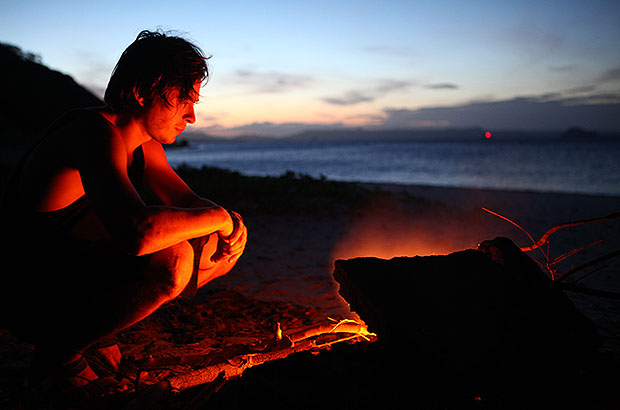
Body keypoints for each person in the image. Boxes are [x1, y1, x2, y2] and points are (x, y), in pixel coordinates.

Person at [0, 29, 247, 394]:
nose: (192, 116)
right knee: (175, 257)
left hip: (73, 274)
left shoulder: (145, 147)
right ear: (141, 92)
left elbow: (191, 204)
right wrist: (221, 218)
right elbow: (138, 233)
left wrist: (232, 226)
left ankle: (94, 334)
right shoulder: (92, 133)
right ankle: (58, 355)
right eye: (183, 100)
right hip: (27, 290)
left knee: (213, 247)